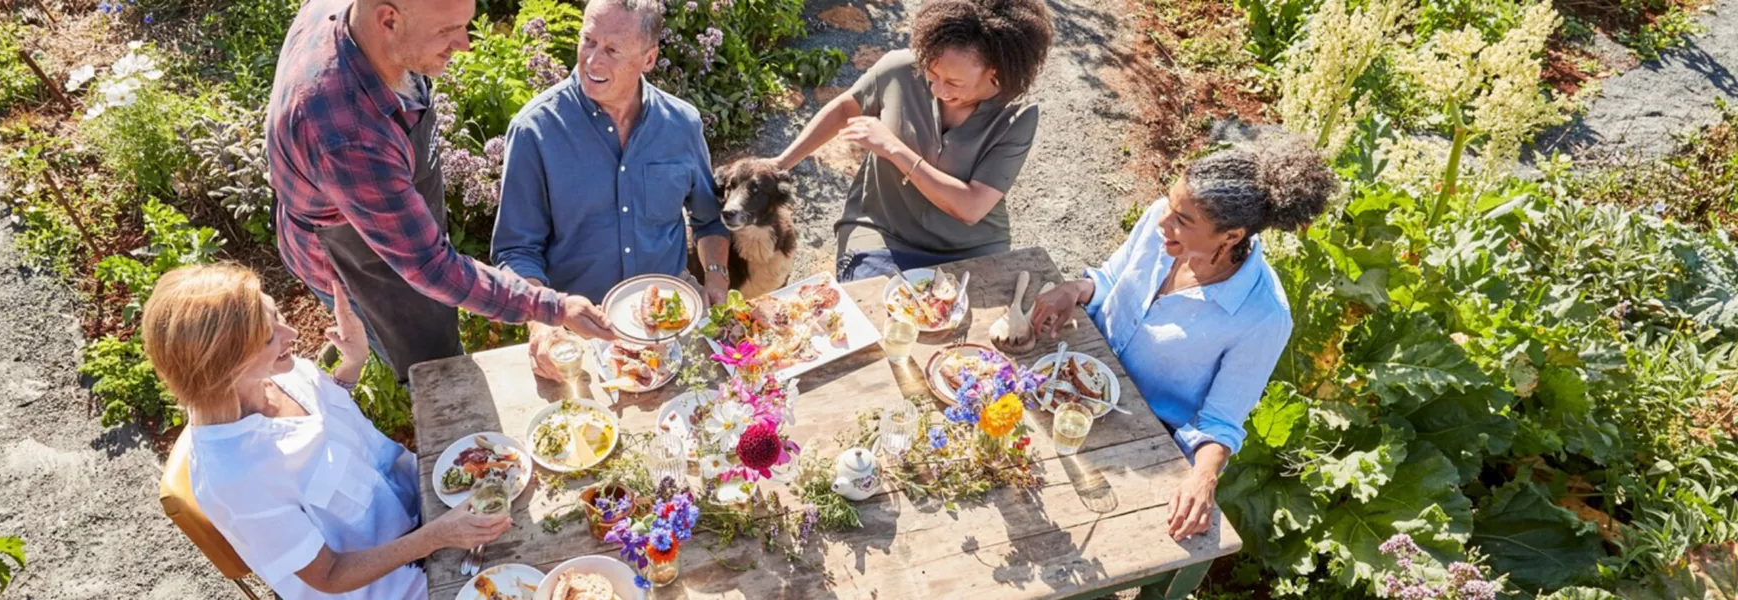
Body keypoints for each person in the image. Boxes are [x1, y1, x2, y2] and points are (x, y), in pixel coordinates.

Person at [266, 0, 615, 385]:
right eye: (447, 32)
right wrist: (553, 307)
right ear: (388, 20)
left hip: (368, 201)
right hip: (350, 252)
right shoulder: (348, 137)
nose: (464, 45)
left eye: (465, 25)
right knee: (432, 367)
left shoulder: (364, 26)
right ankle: (372, 366)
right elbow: (431, 266)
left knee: (437, 314)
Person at [1028, 137, 1336, 543]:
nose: (1162, 223)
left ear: (1231, 235)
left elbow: (1221, 422)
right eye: (1169, 205)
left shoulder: (1264, 316)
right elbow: (1109, 280)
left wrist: (1203, 477)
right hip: (1067, 379)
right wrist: (1075, 289)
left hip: (1139, 438)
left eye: (1182, 220)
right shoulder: (1163, 222)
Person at [143, 264, 510, 599]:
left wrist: (352, 365)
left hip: (432, 503)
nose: (291, 333)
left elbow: (321, 431)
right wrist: (438, 537)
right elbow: (329, 575)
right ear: (226, 365)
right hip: (397, 584)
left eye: (278, 315)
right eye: (269, 337)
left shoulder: (277, 374)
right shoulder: (234, 479)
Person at [491, 0, 729, 378]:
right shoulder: (534, 131)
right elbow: (516, 250)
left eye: (612, 50)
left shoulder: (682, 125)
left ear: (648, 59)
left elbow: (709, 219)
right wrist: (542, 322)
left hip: (672, 318)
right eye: (588, 41)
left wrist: (716, 273)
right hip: (578, 327)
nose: (592, 61)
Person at [755, 0, 1054, 281]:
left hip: (972, 248)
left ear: (995, 72)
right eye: (932, 74)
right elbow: (847, 108)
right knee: (876, 325)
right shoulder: (899, 68)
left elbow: (971, 207)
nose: (937, 89)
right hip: (881, 233)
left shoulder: (1016, 119)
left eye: (953, 83)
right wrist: (780, 163)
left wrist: (894, 149)